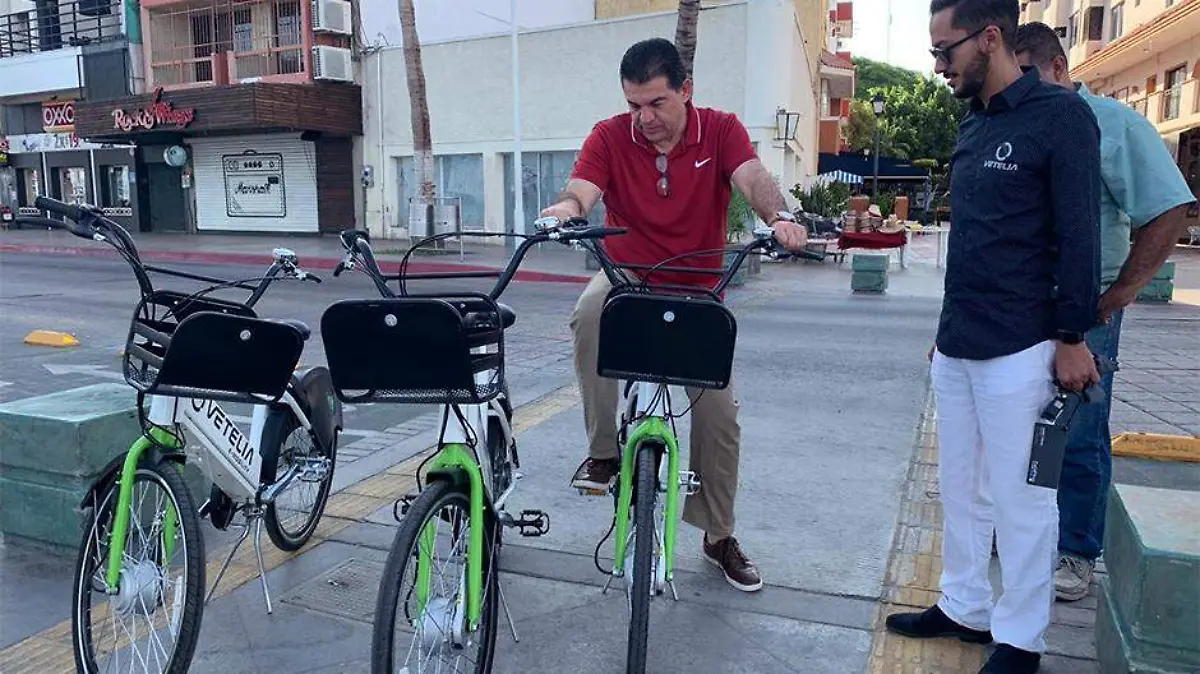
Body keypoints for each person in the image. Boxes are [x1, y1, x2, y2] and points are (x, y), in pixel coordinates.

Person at [538, 37, 807, 593]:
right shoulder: (610, 135)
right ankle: (603, 454)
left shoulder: (721, 129)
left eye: (656, 103)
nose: (644, 118)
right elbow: (581, 189)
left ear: (686, 90)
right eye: (635, 105)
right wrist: (565, 210)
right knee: (589, 313)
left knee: (719, 414)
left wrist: (781, 216)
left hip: (699, 284)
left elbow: (753, 178)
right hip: (629, 278)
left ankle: (717, 535)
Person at [885, 0, 1103, 672]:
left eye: (945, 51)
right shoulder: (972, 124)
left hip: (1024, 345)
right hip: (960, 344)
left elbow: (1079, 235)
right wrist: (944, 333)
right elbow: (977, 242)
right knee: (960, 488)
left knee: (1022, 499)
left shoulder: (1061, 118)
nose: (939, 66)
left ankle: (1020, 639)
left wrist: (1071, 335)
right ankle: (964, 606)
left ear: (990, 38)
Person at [1012, 22, 1198, 602]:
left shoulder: (1114, 125)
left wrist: (1114, 298)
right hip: (1019, 307)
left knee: (1080, 428)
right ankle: (1028, 532)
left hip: (1087, 306)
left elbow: (1168, 213)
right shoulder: (1016, 122)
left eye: (1030, 79)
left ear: (1061, 68)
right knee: (1019, 424)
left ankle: (1077, 549)